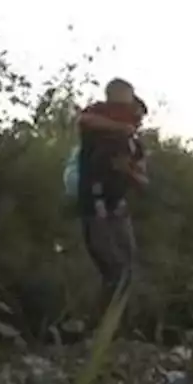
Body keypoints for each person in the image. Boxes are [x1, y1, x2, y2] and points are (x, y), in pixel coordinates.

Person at [76, 78, 149, 314]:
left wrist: (128, 171)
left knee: (127, 266)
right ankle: (99, 325)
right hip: (95, 206)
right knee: (113, 269)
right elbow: (83, 119)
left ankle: (114, 323)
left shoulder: (135, 145)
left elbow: (143, 179)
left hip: (118, 207)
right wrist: (119, 128)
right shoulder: (97, 124)